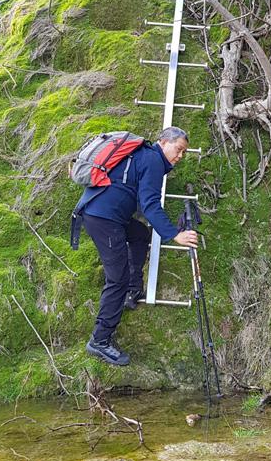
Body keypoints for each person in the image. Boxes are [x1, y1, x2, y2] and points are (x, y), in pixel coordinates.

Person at [78, 126, 198, 366]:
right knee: (117, 279)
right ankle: (100, 340)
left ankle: (133, 289)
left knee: (140, 234)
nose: (180, 156)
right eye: (178, 149)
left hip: (104, 214)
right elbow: (151, 204)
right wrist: (175, 234)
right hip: (105, 219)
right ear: (163, 142)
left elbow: (144, 203)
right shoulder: (153, 160)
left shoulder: (145, 157)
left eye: (184, 152)